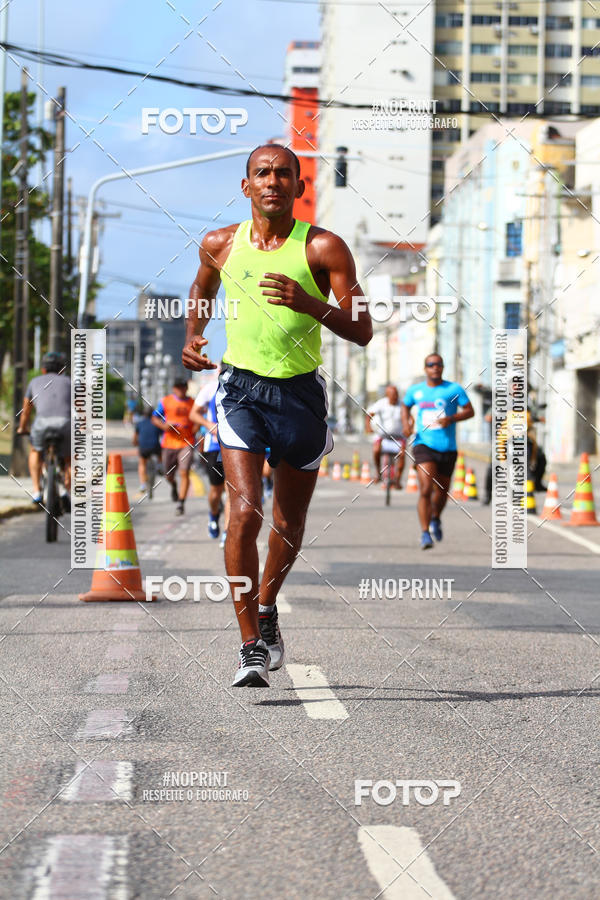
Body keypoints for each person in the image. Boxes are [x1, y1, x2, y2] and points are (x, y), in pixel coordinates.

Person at [182, 143, 373, 687]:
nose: (273, 181)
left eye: (283, 174)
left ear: (298, 186)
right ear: (246, 187)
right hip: (239, 389)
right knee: (245, 513)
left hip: (300, 397)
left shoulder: (323, 248)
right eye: (262, 173)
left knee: (288, 525)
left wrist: (308, 302)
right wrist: (192, 333)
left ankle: (266, 609)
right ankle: (249, 646)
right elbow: (201, 286)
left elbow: (362, 329)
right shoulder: (220, 243)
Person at [402, 353, 474, 549]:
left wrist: (451, 419)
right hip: (423, 444)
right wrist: (406, 424)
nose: (435, 368)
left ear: (442, 367)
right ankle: (425, 533)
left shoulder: (453, 389)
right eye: (431, 365)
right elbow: (405, 406)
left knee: (442, 491)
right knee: (425, 489)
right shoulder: (416, 391)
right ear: (425, 368)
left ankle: (435, 517)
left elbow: (470, 411)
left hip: (447, 447)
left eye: (439, 365)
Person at [17, 350, 71, 506]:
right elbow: (81, 409)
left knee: (35, 451)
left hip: (42, 424)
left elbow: (26, 411)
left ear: (43, 369)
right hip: (65, 424)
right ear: (62, 370)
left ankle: (37, 491)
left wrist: (22, 428)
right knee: (70, 459)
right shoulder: (69, 382)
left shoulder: (34, 382)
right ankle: (66, 492)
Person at [190, 369, 230, 543]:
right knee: (216, 490)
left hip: (235, 447)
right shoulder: (210, 388)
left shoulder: (244, 388)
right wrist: (209, 425)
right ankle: (213, 516)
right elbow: (193, 413)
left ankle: (228, 532)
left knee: (232, 492)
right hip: (213, 446)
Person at [152, 377, 196, 516]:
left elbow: (199, 417)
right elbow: (154, 418)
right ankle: (173, 485)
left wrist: (194, 430)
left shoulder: (193, 403)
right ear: (173, 389)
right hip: (169, 443)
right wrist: (165, 426)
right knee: (168, 475)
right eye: (178, 387)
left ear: (187, 388)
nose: (181, 389)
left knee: (184, 472)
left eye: (183, 387)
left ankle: (181, 503)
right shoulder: (165, 402)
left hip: (186, 443)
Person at [365, 384, 408, 488]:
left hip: (398, 437)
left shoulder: (402, 405)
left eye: (396, 394)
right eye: (392, 395)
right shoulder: (381, 403)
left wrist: (409, 427)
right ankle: (378, 473)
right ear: (387, 395)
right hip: (383, 436)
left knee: (403, 454)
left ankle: (397, 480)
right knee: (376, 450)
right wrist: (368, 427)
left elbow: (409, 418)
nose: (395, 397)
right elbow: (369, 414)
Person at [133, 406, 162, 494]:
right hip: (155, 447)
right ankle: (159, 466)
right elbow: (162, 435)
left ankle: (143, 484)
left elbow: (135, 437)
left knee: (142, 463)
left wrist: (135, 443)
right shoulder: (157, 423)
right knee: (160, 453)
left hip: (144, 448)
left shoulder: (139, 423)